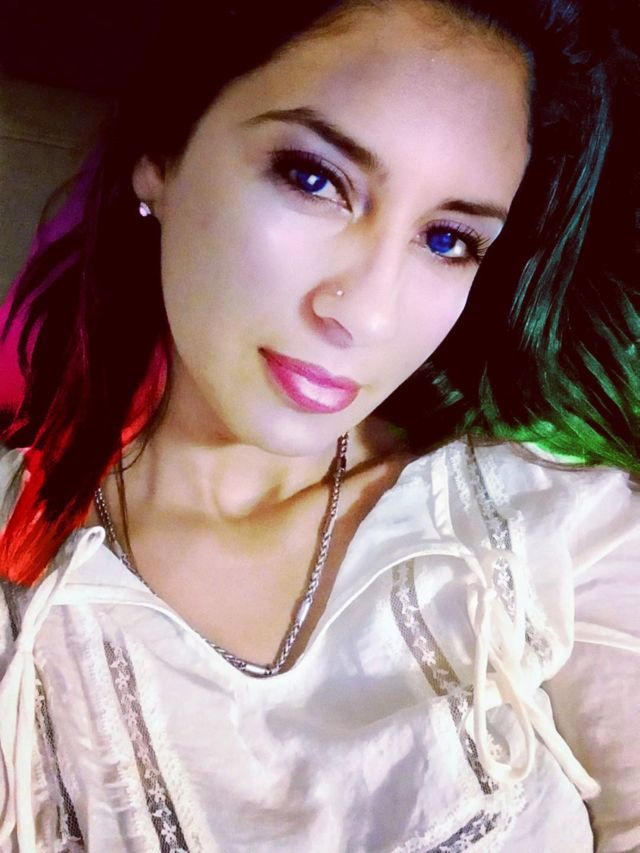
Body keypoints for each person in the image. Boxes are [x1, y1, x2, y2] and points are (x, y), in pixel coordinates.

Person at [0, 0, 638, 849]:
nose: (366, 313)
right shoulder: (22, 584)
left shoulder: (558, 526)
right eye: (313, 179)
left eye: (447, 239)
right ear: (161, 151)